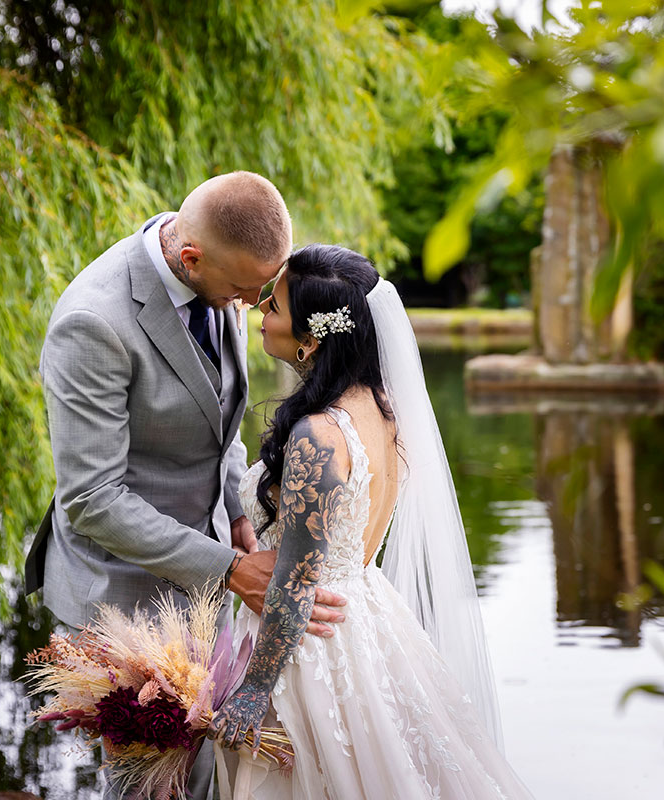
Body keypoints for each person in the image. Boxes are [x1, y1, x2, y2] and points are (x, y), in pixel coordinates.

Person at [23, 173, 346, 800]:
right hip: (120, 592)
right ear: (190, 259)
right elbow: (91, 501)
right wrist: (231, 567)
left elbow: (219, 429)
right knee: (152, 788)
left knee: (207, 778)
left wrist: (242, 522)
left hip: (208, 575)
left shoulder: (219, 278)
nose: (256, 307)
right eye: (246, 292)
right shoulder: (94, 322)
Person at [208, 244, 534, 799]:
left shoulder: (318, 436)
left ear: (311, 340)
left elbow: (294, 583)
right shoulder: (382, 407)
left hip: (310, 638)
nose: (261, 312)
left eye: (276, 306)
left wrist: (254, 690)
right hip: (367, 615)